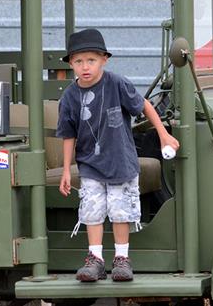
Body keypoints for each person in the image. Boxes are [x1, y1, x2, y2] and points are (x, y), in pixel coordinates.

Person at [56, 28, 180, 282]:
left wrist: (164, 135)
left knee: (120, 209)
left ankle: (122, 259)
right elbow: (68, 134)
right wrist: (67, 169)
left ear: (104, 59)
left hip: (120, 162)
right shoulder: (69, 97)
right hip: (90, 164)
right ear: (71, 64)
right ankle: (95, 259)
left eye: (91, 60)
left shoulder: (116, 83)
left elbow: (143, 105)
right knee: (92, 209)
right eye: (78, 61)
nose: (85, 67)